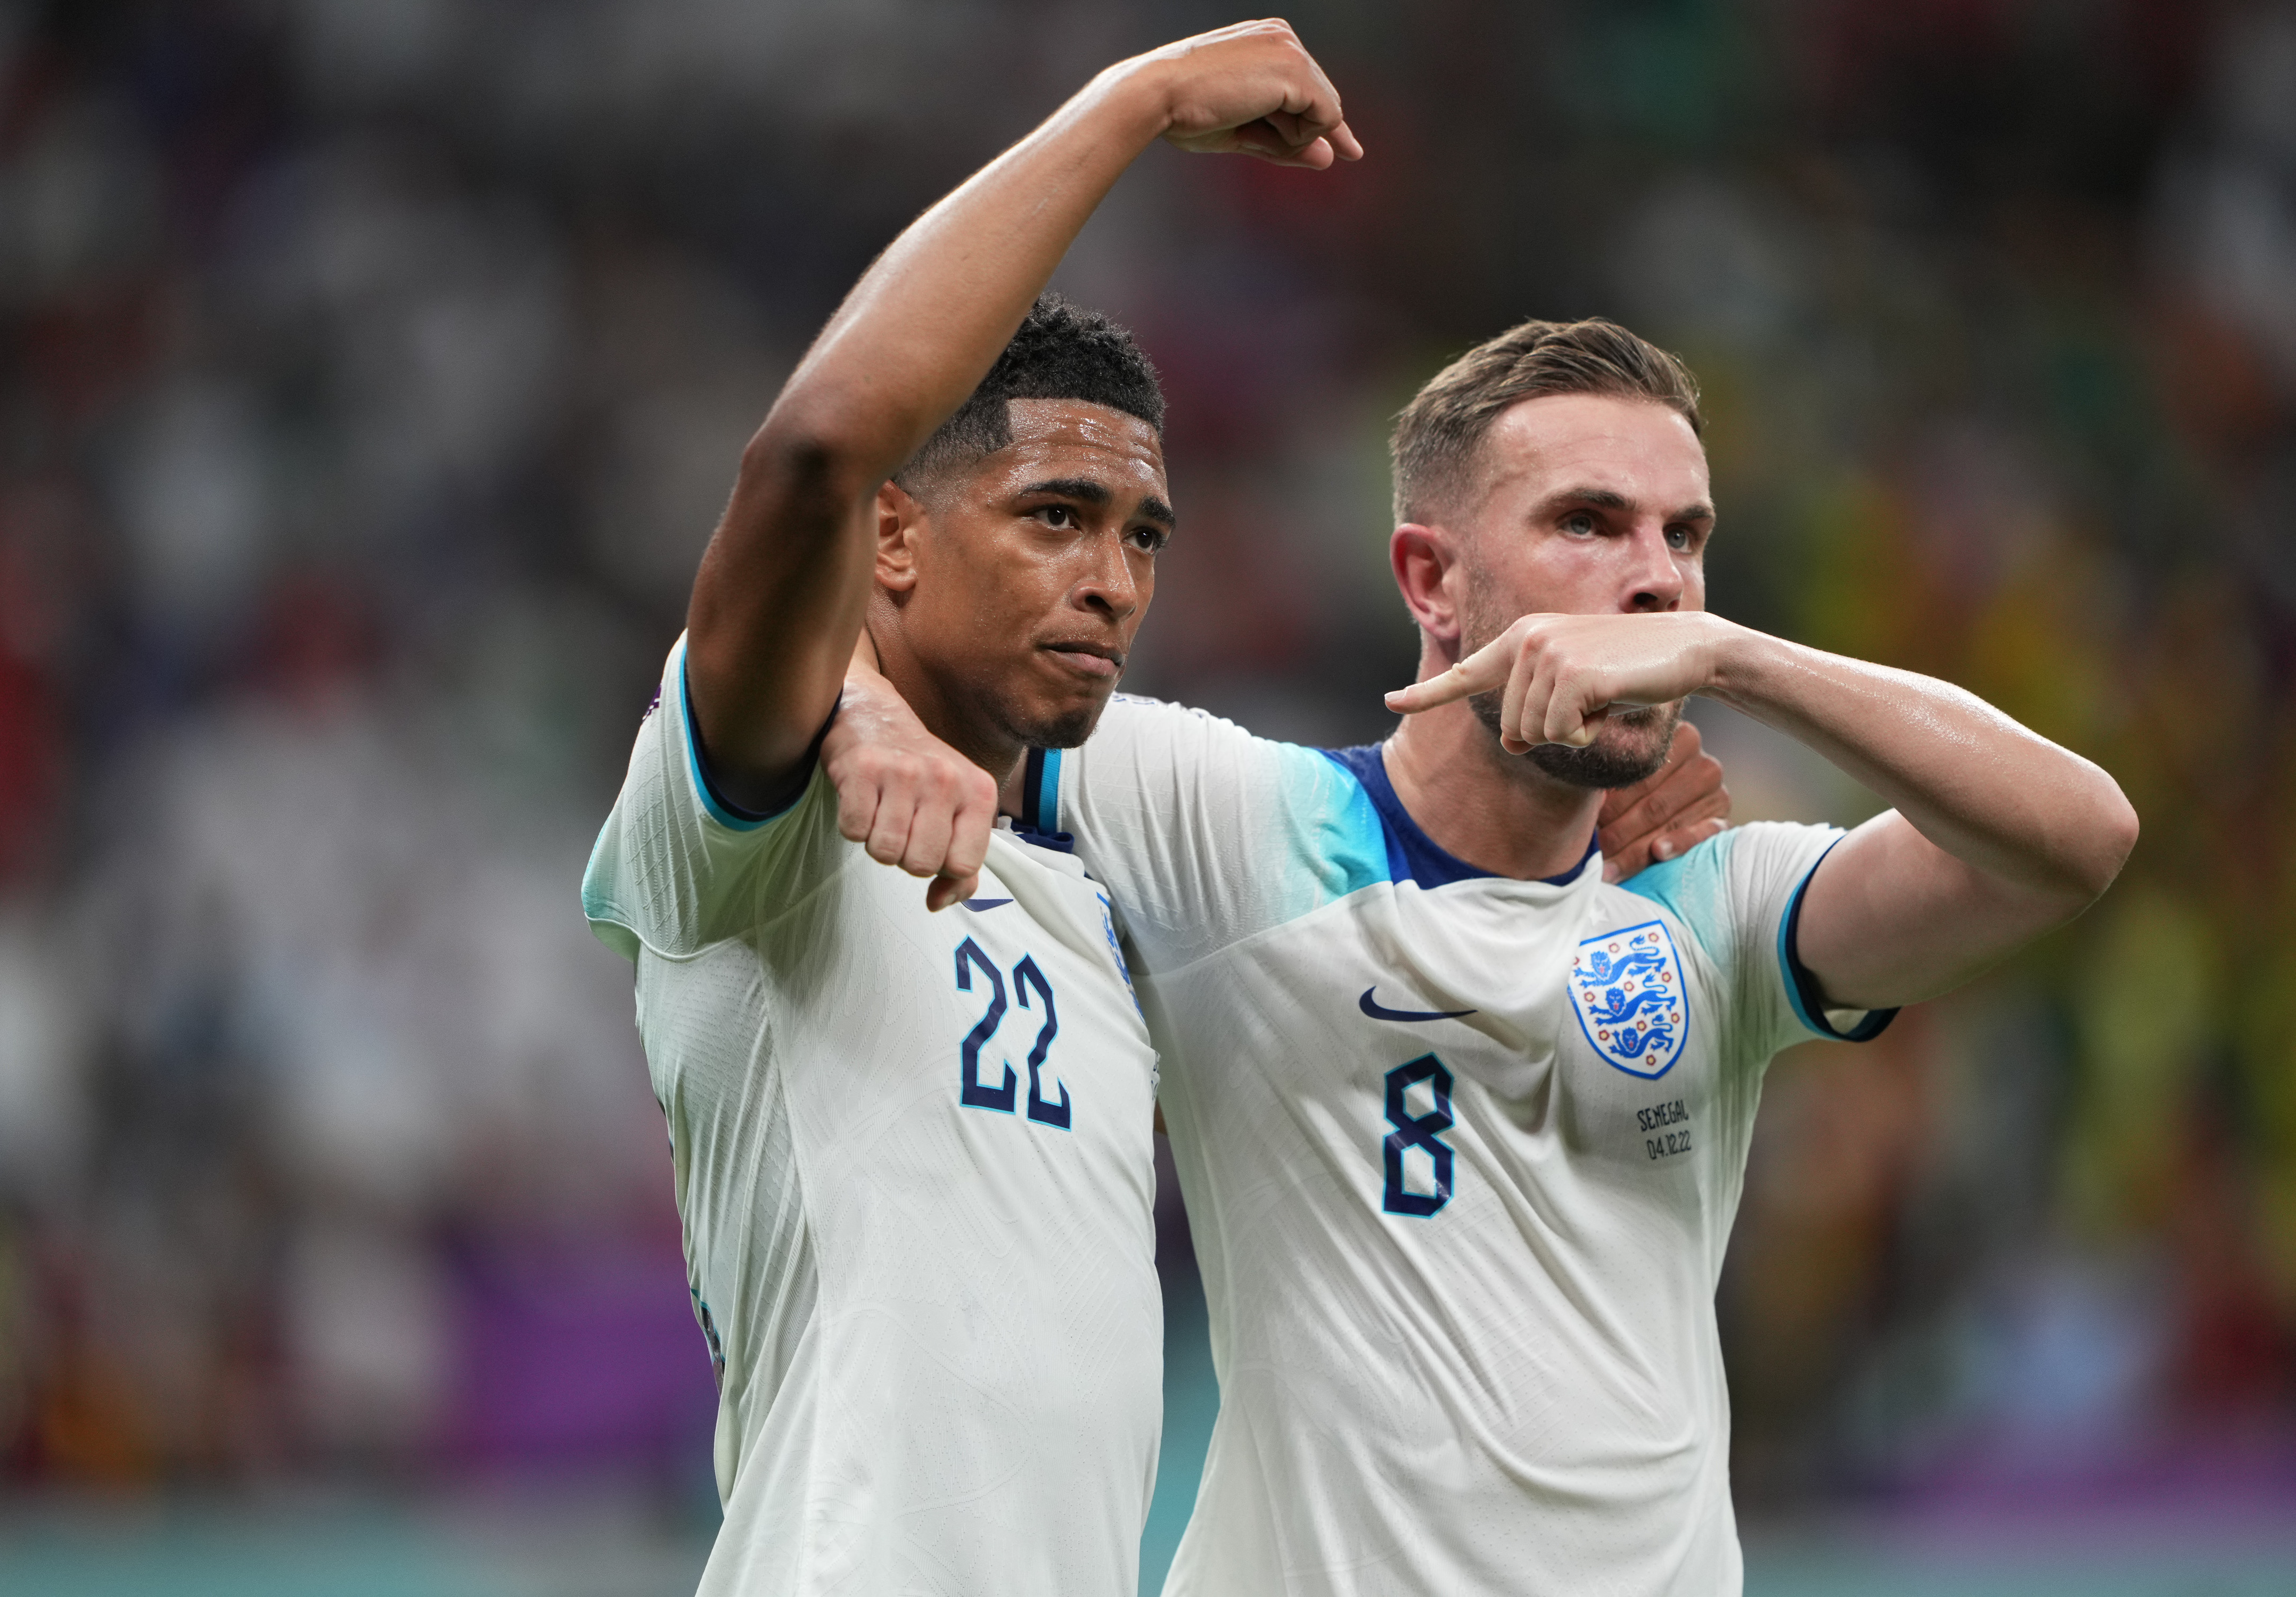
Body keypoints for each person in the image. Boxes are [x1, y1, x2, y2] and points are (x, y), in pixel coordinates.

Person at [830, 319, 2138, 1594]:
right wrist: (864, 712)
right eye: (1588, 523)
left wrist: (1744, 662)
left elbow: (2080, 838)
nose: (1656, 580)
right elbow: (840, 636)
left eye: (1684, 538)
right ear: (1430, 580)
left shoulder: (1717, 907)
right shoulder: (1230, 823)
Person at [578, 22, 1377, 1595]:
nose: (1112, 579)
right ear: (892, 543)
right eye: (1054, 516)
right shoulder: (767, 840)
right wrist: (1131, 104)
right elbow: (812, 451)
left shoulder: (1089, 901)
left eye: (1143, 536)